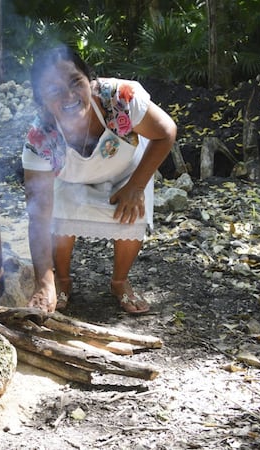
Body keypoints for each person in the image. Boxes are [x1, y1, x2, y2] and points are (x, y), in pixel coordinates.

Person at [22, 45, 177, 314]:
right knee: (59, 212)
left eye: (75, 82)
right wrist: (42, 280)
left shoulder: (121, 98)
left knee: (131, 214)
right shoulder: (40, 137)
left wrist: (136, 186)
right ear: (41, 100)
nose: (69, 95)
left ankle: (120, 282)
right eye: (54, 90)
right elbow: (38, 215)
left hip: (125, 172)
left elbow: (166, 132)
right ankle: (61, 280)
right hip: (71, 178)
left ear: (90, 81)